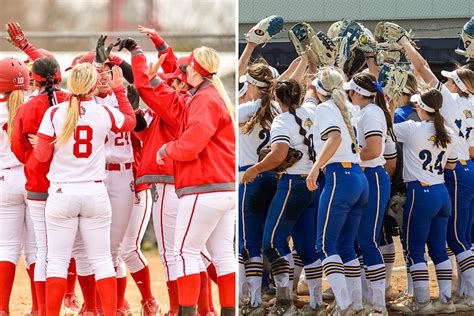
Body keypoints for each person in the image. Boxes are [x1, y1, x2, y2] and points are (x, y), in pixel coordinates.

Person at [33, 64, 135, 316]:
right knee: (101, 260)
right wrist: (119, 91)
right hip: (95, 192)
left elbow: (42, 156)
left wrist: (42, 143)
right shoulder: (103, 113)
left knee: (56, 261)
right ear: (91, 85)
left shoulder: (55, 112)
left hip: (62, 193)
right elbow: (131, 122)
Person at [398, 33, 474, 311]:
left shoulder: (448, 104)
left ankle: (465, 293)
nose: (448, 82)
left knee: (452, 239)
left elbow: (422, 70)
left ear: (460, 86)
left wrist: (405, 43)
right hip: (466, 170)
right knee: (462, 237)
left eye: (452, 80)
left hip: (437, 183)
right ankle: (456, 294)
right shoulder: (468, 107)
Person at [242, 78, 322, 315]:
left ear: (277, 98)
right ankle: (316, 303)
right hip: (312, 183)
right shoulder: (311, 111)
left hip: (292, 183)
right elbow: (311, 94)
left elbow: (279, 155)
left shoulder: (281, 120)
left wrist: (255, 169)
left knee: (271, 243)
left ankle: (285, 303)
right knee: (308, 246)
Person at [306, 67, 369, 315]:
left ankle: (344, 307)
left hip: (339, 177)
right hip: (357, 176)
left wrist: (314, 168)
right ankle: (357, 304)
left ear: (319, 90)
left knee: (325, 245)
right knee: (345, 246)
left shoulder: (325, 108)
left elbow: (334, 139)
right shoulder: (349, 107)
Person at [11, 56, 69, 316]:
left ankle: (44, 309)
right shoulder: (71, 101)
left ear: (34, 79)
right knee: (75, 249)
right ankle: (92, 307)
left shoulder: (28, 106)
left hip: (38, 182)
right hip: (70, 182)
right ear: (58, 76)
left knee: (44, 249)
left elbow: (18, 149)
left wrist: (37, 156)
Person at [391, 89, 457, 314]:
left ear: (421, 108)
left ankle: (421, 302)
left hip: (422, 192)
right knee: (439, 248)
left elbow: (384, 129)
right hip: (441, 192)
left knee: (415, 249)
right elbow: (452, 165)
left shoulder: (412, 128)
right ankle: (446, 300)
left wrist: (389, 103)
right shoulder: (448, 131)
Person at [343, 72, 394, 314]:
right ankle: (363, 300)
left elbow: (373, 149)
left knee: (367, 238)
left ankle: (378, 306)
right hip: (365, 176)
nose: (347, 94)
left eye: (349, 91)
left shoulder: (372, 112)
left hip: (372, 176)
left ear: (357, 92)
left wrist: (345, 157)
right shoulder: (363, 111)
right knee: (356, 239)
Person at [238, 61, 278, 313]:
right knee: (273, 238)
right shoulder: (279, 108)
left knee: (249, 241)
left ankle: (254, 298)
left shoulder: (244, 110)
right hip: (274, 177)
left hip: (248, 177)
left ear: (252, 85)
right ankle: (278, 289)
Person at [0, 57, 32, 315]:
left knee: (7, 247)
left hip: (4, 179)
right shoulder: (34, 104)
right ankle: (39, 308)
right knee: (36, 247)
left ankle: (2, 308)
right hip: (32, 177)